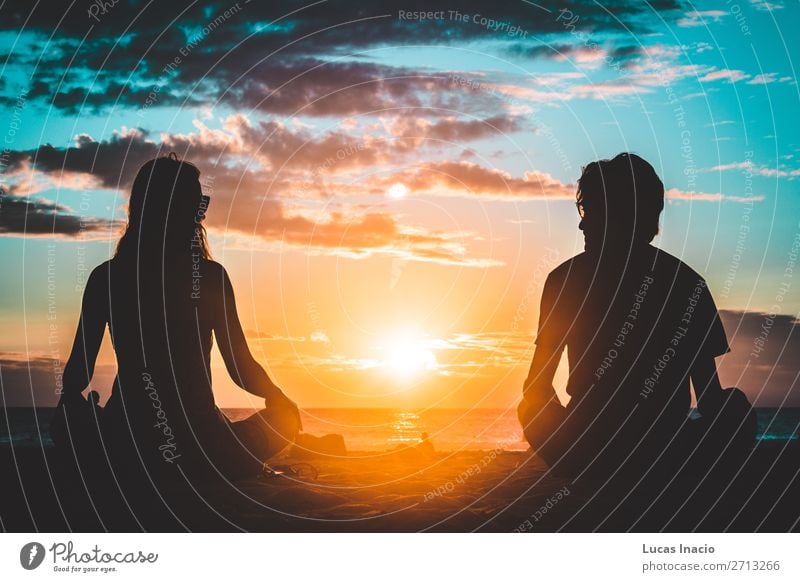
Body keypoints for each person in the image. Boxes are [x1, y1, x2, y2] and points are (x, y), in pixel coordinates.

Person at [51, 154, 301, 481]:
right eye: (198, 203)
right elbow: (242, 371)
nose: (202, 212)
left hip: (127, 442)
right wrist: (281, 401)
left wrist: (82, 411)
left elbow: (76, 377)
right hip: (205, 449)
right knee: (285, 418)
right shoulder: (210, 278)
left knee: (68, 417)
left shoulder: (107, 278)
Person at [518, 153, 756, 478]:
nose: (582, 222)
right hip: (666, 451)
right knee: (735, 406)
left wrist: (562, 432)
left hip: (587, 453)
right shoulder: (685, 281)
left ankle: (592, 473)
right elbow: (710, 397)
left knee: (530, 409)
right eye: (584, 209)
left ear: (624, 214)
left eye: (593, 210)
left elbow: (536, 387)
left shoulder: (565, 280)